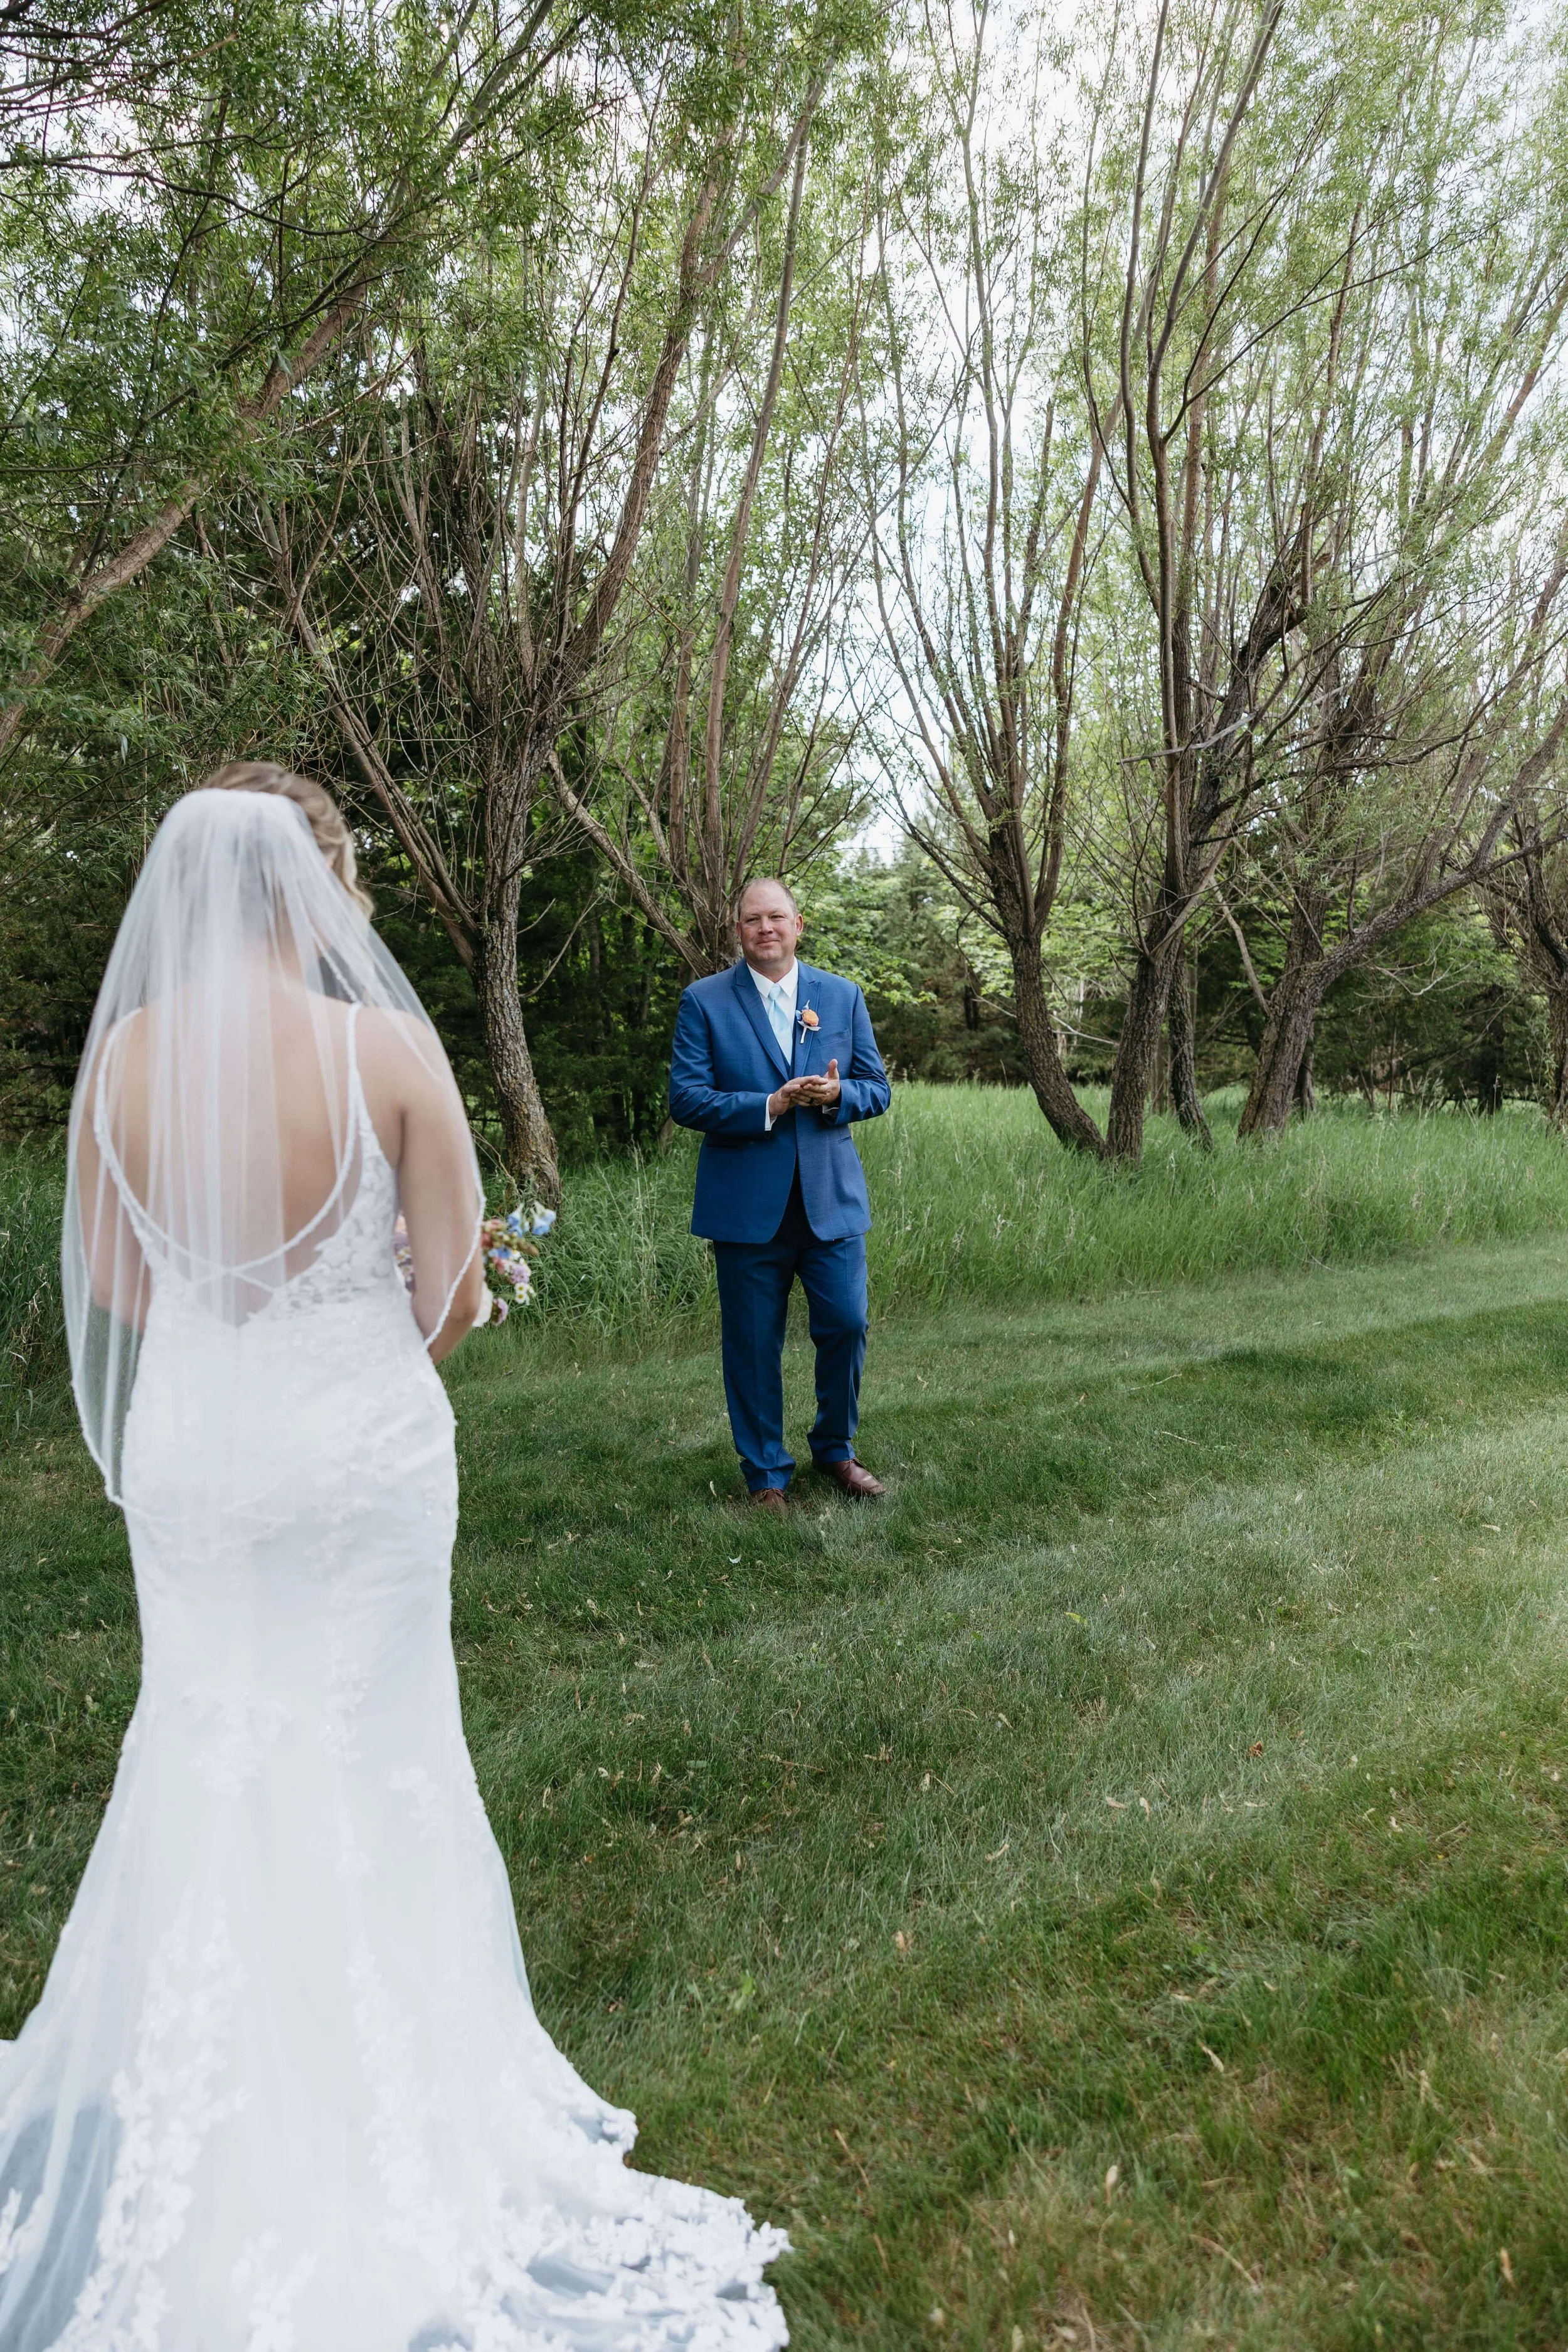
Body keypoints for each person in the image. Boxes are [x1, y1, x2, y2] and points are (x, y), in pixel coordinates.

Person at [0, 766, 787, 2348]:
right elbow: (450, 1302)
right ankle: (372, 2098)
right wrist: (356, 1331)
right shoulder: (387, 1049)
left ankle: (194, 2086)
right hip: (352, 1449)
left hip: (198, 1449)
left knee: (207, 1732)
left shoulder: (125, 1063)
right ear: (321, 885)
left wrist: (237, 1336)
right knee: (370, 1746)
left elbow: (109, 1280)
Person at [668, 877, 892, 1512]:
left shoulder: (842, 998)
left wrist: (837, 1097)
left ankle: (835, 1449)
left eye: (776, 917)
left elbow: (876, 1087)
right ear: (737, 931)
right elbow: (685, 1098)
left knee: (847, 1323)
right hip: (745, 1207)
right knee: (752, 1342)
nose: (764, 928)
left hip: (830, 1201)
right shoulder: (704, 1001)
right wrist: (768, 1104)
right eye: (750, 920)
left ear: (799, 924)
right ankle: (766, 1472)